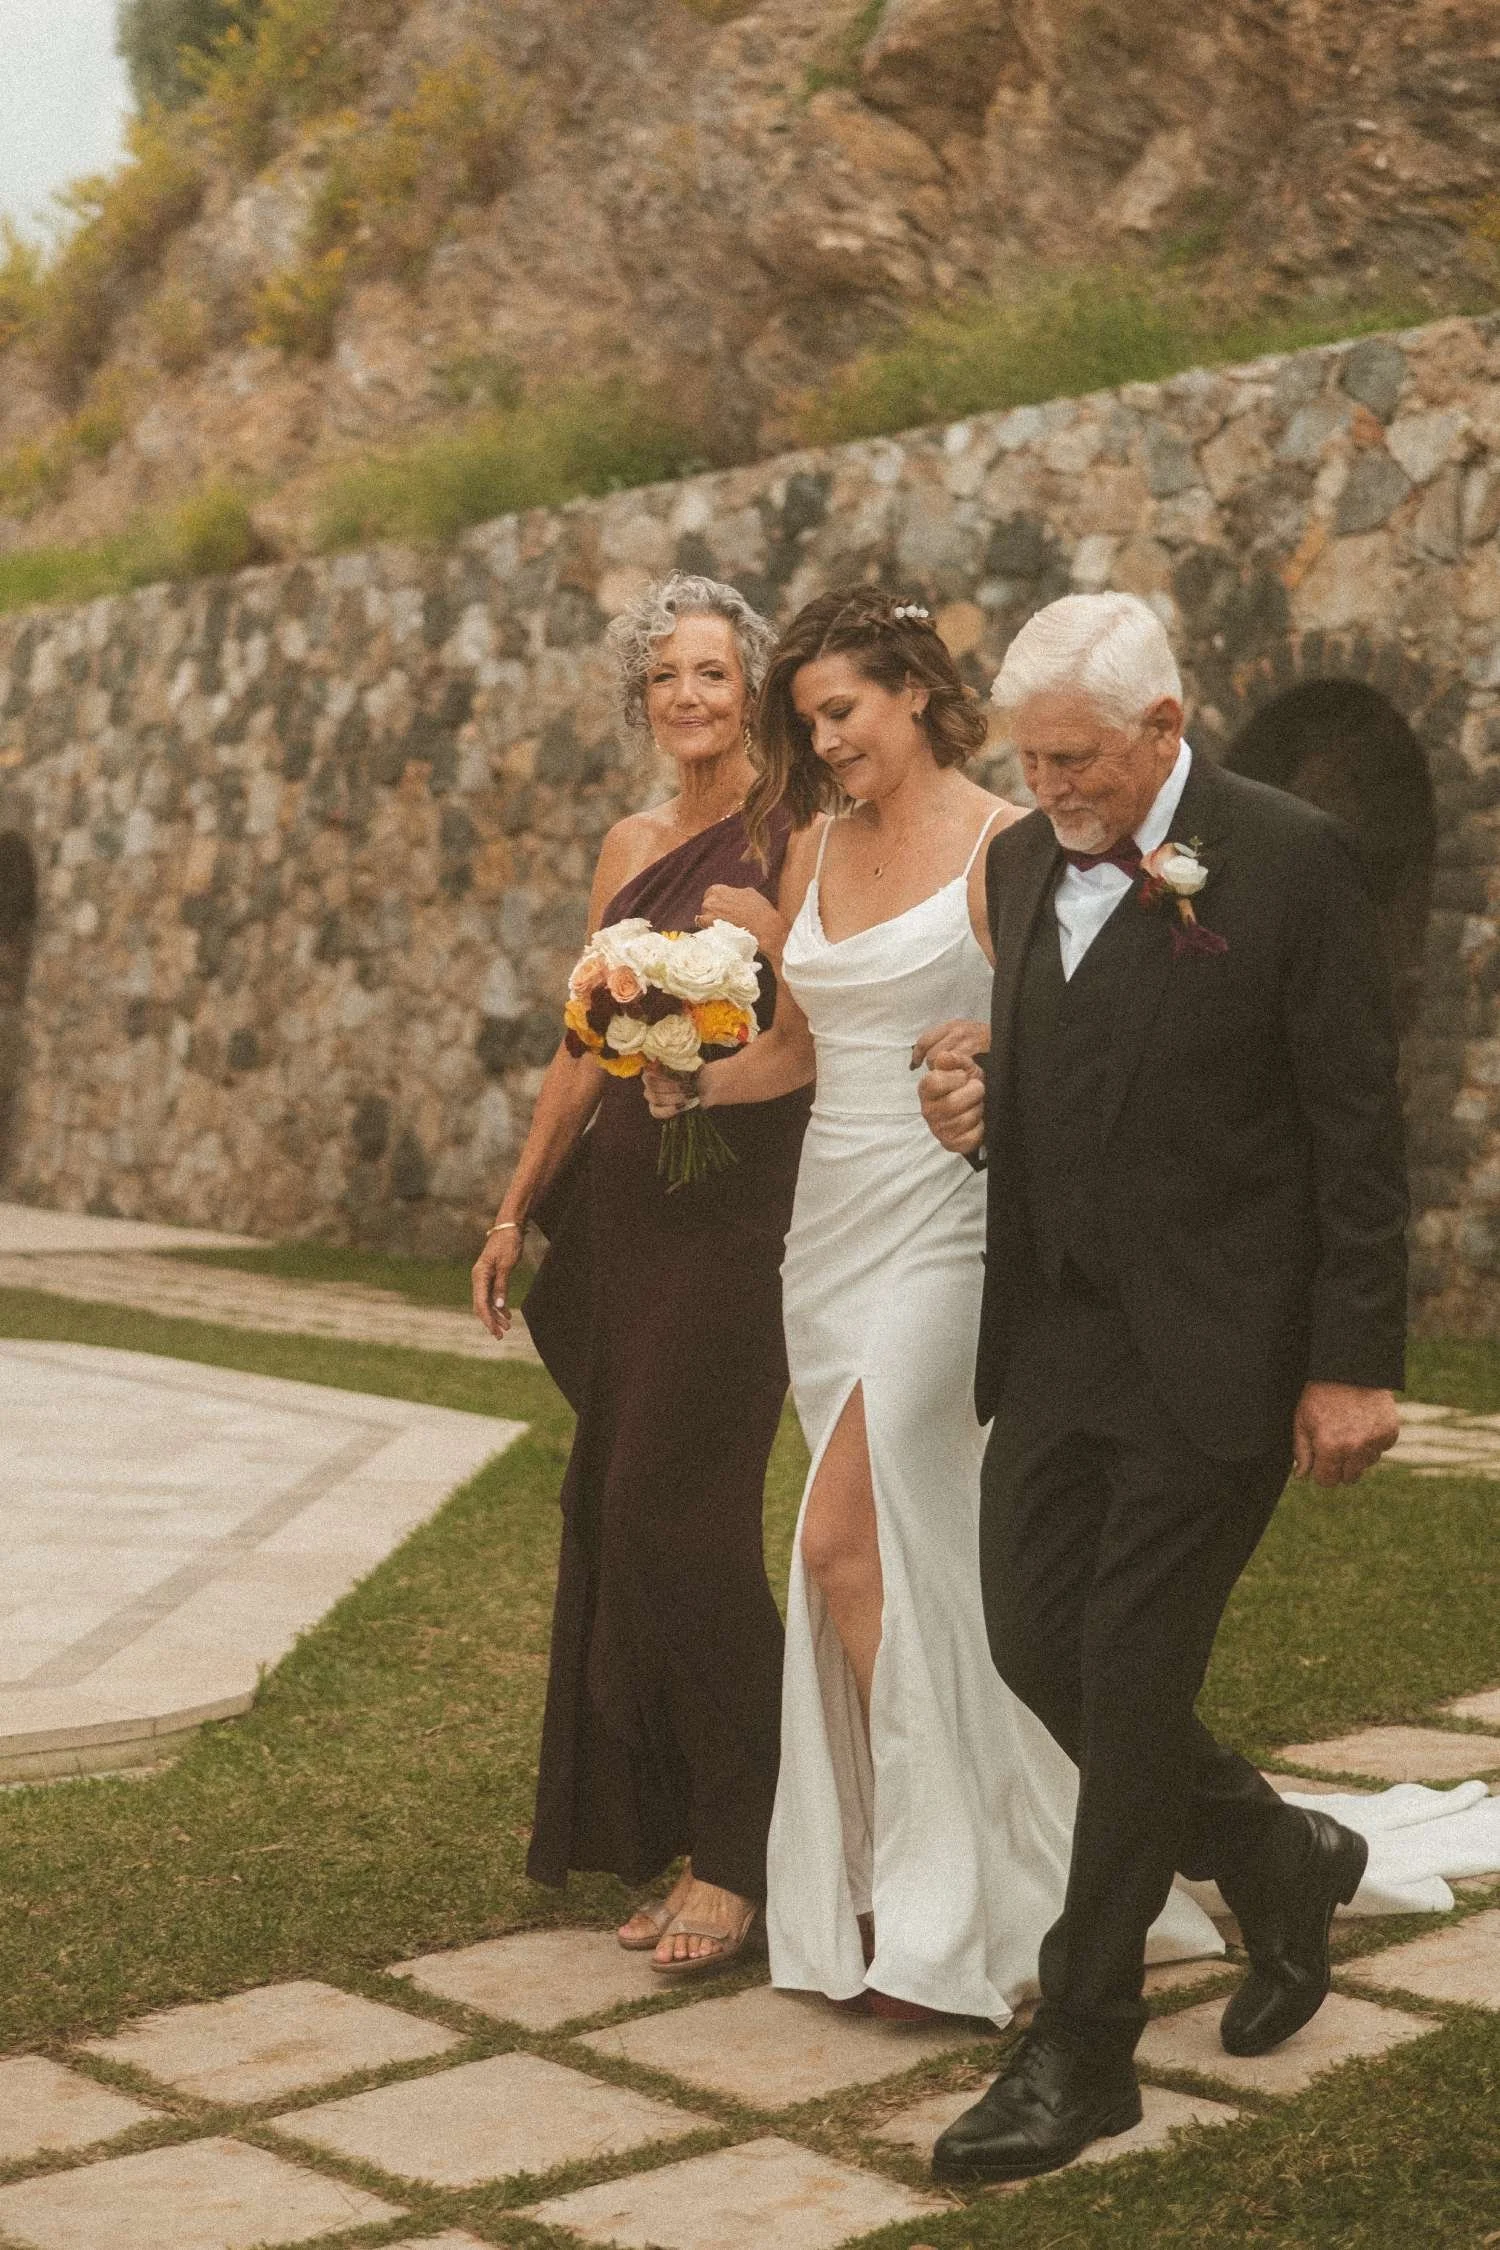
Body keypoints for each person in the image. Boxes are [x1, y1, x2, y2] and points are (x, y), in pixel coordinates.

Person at [643, 587, 1227, 2022]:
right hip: (826, 1242)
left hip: (949, 1224)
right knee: (924, 1561)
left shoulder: (998, 843)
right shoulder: (818, 847)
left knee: (840, 1544)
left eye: (841, 710)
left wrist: (991, 1076)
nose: (824, 741)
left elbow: (1069, 1036)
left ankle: (941, 1906)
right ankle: (1034, 1863)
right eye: (809, 722)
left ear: (915, 690)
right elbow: (794, 1043)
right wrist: (688, 1076)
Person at [915, 591, 1410, 2179]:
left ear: (1166, 730)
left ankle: (1086, 2041)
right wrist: (974, 1106)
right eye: (1032, 758)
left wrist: (1351, 1362)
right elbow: (1073, 1082)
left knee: (1128, 1675)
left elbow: (1355, 1125)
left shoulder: (1292, 856)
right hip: (1057, 1340)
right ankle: (1277, 1851)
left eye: (1079, 759)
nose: (1051, 788)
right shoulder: (1010, 863)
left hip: (1223, 1350)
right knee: (1026, 1634)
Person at [472, 573, 810, 1977]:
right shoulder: (626, 839)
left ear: (756, 689)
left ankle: (765, 1841)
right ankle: (705, 1825)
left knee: (676, 1513)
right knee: (623, 1512)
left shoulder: (797, 832)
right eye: (667, 673)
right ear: (642, 696)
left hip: (740, 1210)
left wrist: (708, 1062)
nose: (689, 695)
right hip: (626, 1205)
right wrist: (514, 1207)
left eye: (714, 673)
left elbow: (808, 1020)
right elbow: (578, 1040)